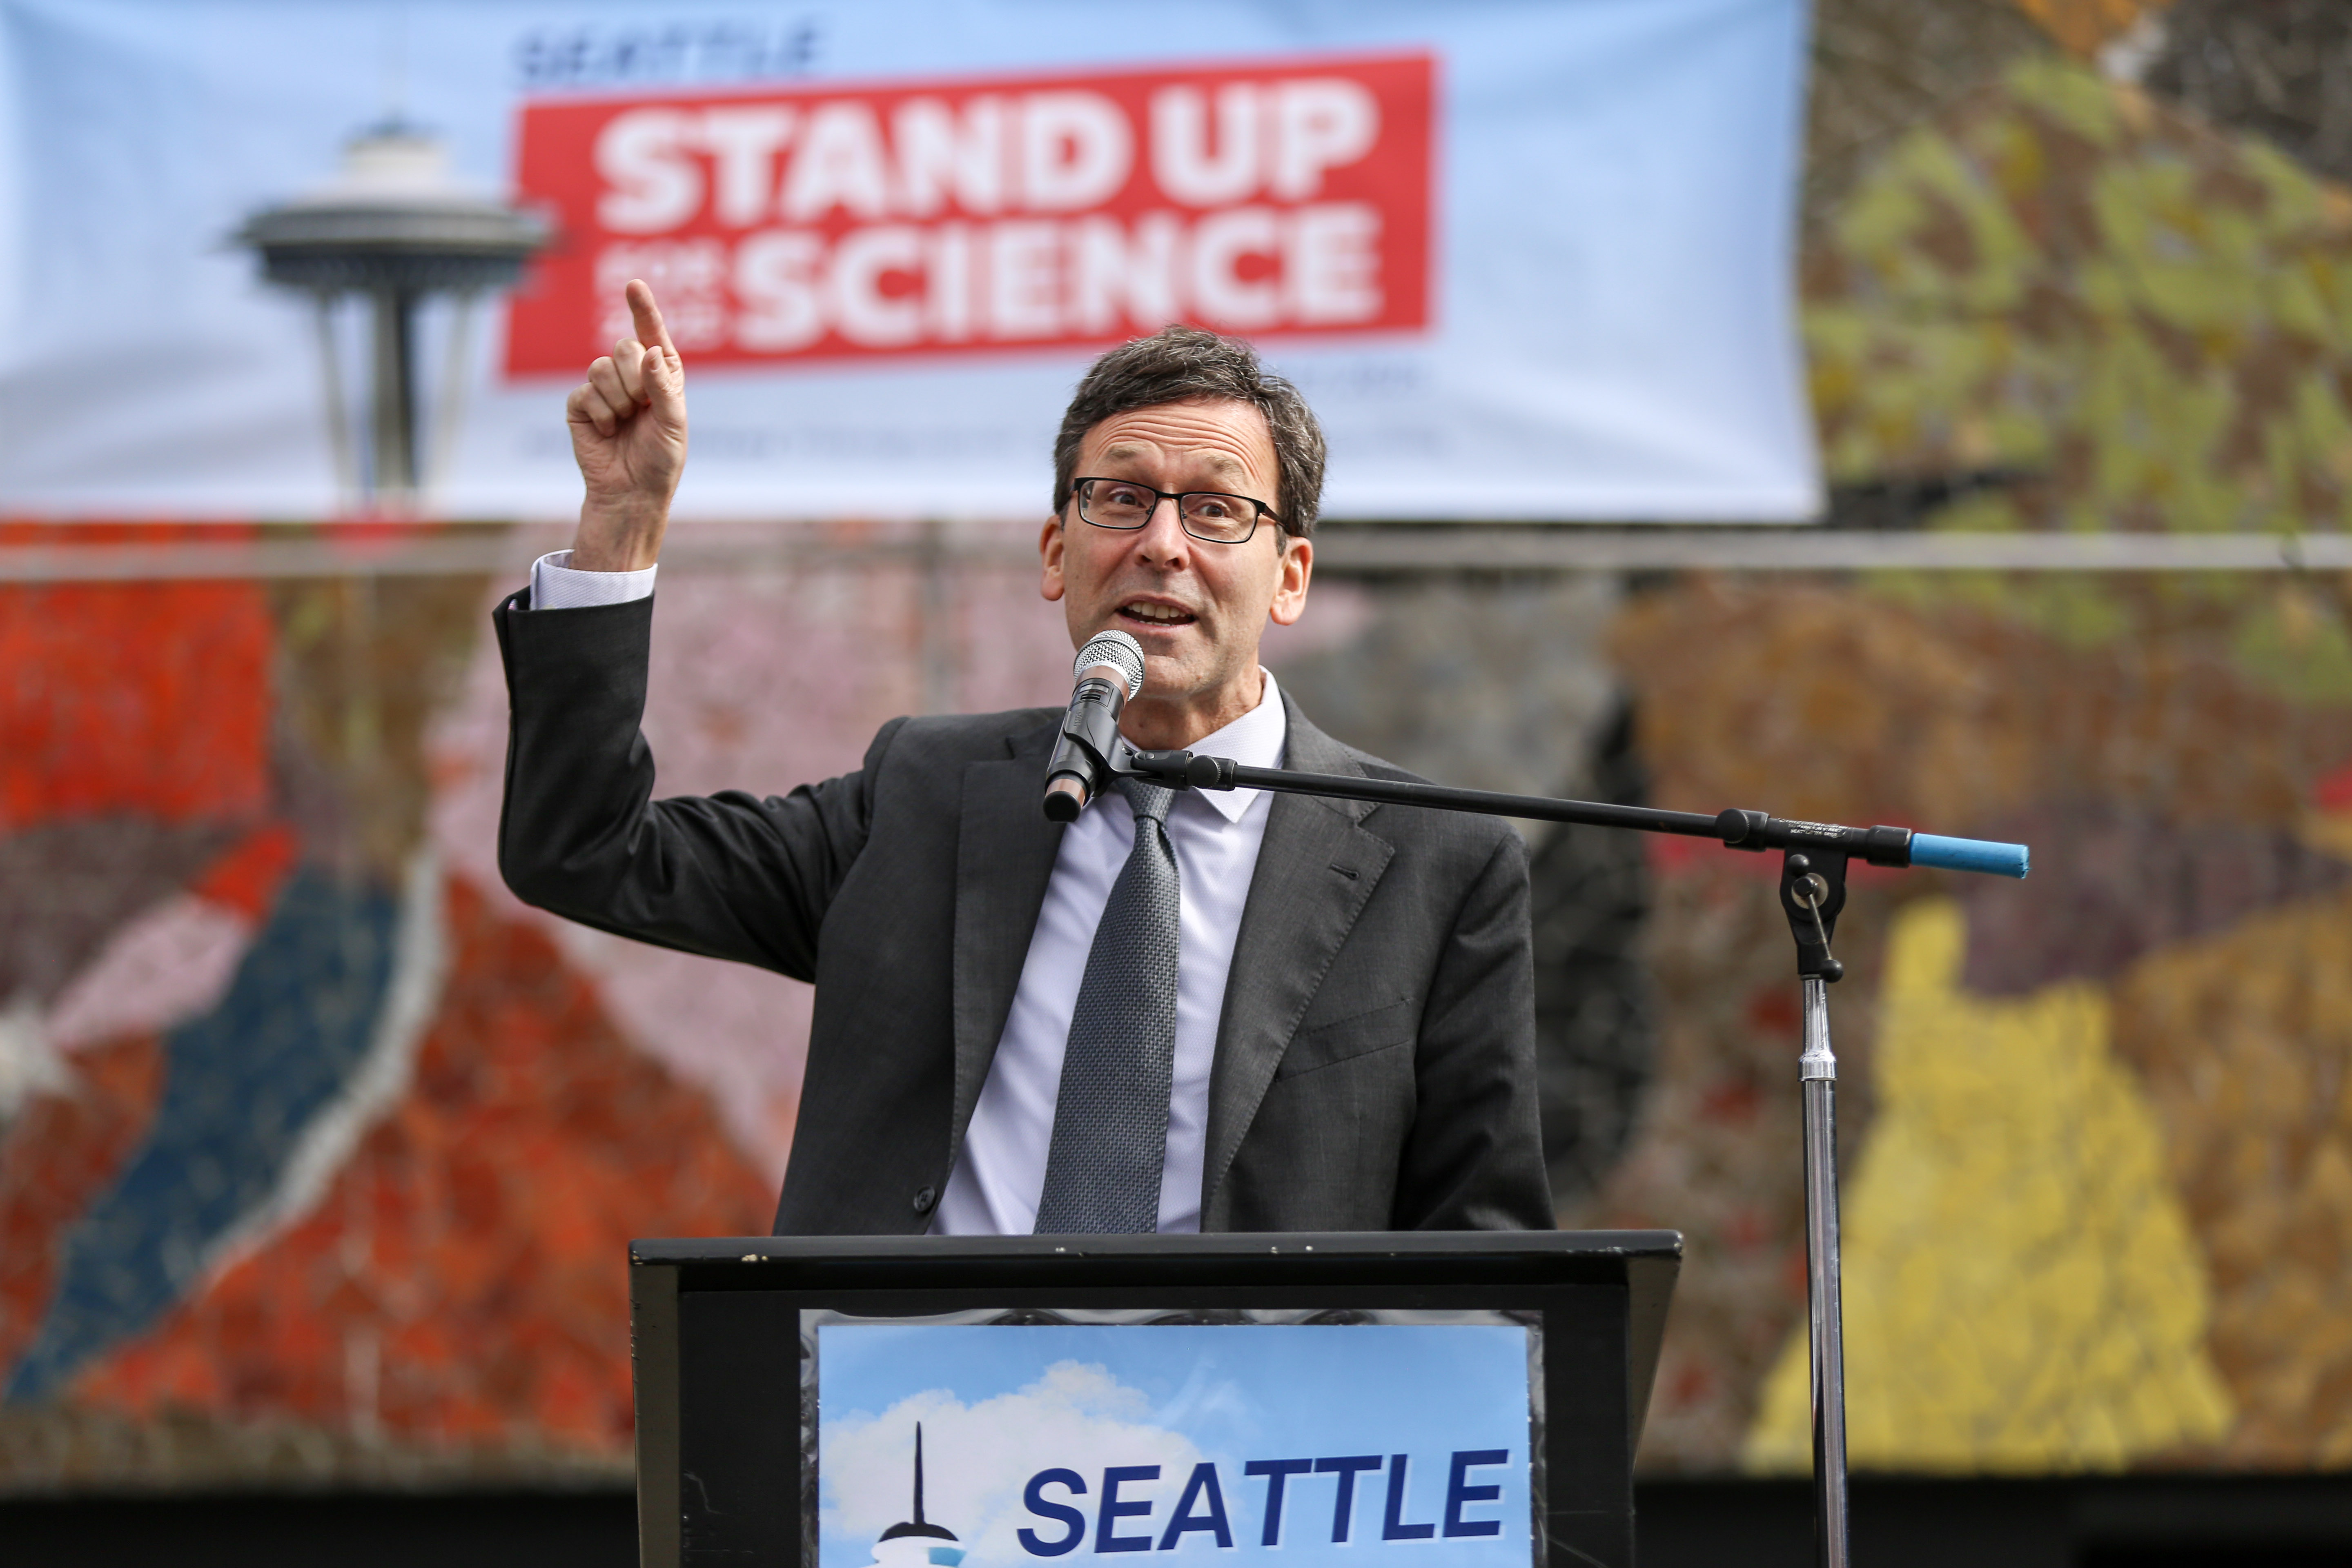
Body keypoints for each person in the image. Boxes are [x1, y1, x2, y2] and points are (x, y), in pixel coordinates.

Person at [495, 280, 1550, 1234]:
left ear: (1290, 577)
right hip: (916, 1382)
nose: (1163, 545)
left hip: (1246, 1390)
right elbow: (586, 851)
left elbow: (1486, 1255)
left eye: (1217, 509)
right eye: (1120, 499)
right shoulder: (925, 795)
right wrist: (622, 525)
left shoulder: (1438, 865)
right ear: (1057, 556)